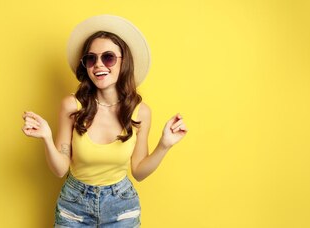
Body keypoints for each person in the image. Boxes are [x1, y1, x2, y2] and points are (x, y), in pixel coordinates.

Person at [21, 15, 187, 228]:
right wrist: (46, 137)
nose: (98, 65)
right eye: (91, 59)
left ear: (123, 62)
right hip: (74, 206)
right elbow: (60, 169)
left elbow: (139, 171)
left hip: (122, 206)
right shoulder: (72, 106)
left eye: (108, 57)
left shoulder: (140, 112)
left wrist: (164, 145)